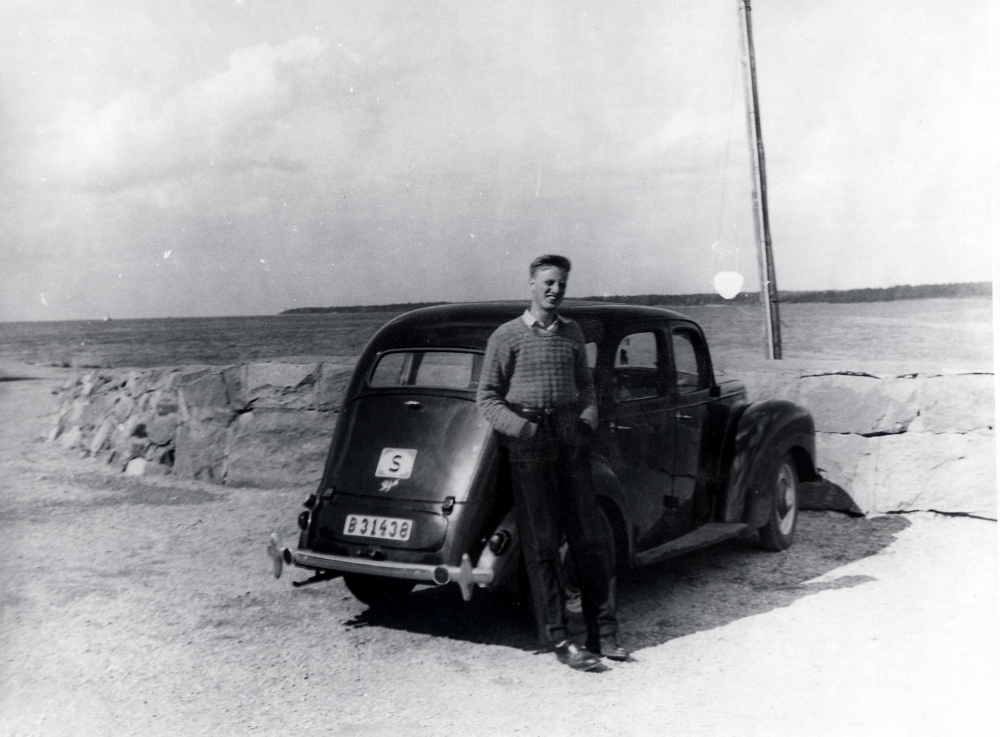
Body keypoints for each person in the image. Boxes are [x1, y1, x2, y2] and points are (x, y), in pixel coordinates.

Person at [477, 254, 628, 671]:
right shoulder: (506, 337)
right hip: (528, 441)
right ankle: (559, 638)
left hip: (569, 436)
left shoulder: (573, 333)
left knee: (588, 536)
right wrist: (524, 430)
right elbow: (487, 399)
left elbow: (586, 387)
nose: (554, 290)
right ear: (531, 284)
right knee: (542, 542)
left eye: (560, 283)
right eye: (547, 282)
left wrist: (585, 419)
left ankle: (604, 633)